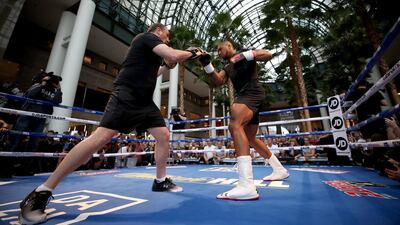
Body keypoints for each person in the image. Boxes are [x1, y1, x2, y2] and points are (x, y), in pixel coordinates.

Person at [18, 23, 204, 225]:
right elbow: (174, 55)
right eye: (166, 36)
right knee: (100, 138)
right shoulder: (146, 37)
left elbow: (157, 71)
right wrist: (192, 53)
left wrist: (167, 65)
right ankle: (42, 192)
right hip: (127, 94)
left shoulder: (149, 52)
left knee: (163, 135)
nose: (167, 40)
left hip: (143, 101)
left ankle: (160, 181)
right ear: (158, 31)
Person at [198, 41, 289, 200]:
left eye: (221, 48)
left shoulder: (246, 54)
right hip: (251, 96)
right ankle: (279, 169)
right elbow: (218, 81)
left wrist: (243, 56)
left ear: (229, 45)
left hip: (251, 92)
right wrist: (207, 65)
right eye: (217, 51)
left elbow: (268, 54)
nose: (219, 52)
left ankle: (246, 185)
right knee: (250, 138)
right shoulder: (227, 67)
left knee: (235, 125)